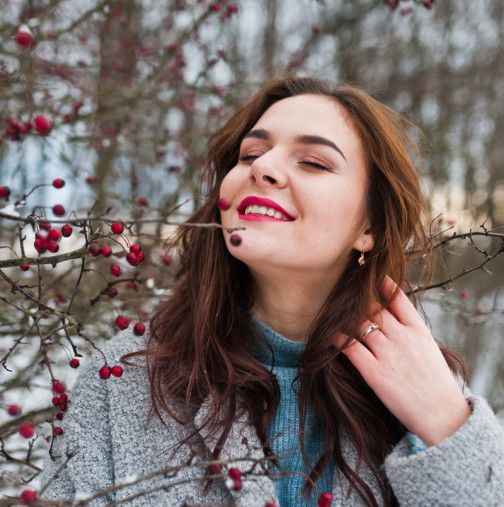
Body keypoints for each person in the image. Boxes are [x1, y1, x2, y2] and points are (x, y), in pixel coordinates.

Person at [40, 77, 504, 506]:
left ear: (370, 227)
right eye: (248, 155)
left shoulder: (427, 392)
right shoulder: (123, 379)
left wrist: (447, 427)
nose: (263, 167)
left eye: (314, 162)